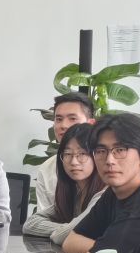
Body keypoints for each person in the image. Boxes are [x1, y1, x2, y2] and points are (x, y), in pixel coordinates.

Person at [58, 112, 140, 253]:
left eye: (120, 150)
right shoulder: (113, 193)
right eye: (101, 151)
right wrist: (105, 250)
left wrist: (99, 252)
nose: (109, 160)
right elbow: (69, 243)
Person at [21, 121, 103, 243]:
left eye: (82, 154)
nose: (74, 161)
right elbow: (30, 225)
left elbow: (61, 236)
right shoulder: (75, 193)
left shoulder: (103, 195)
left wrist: (67, 231)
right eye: (67, 154)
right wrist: (68, 229)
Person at [26, 91, 95, 232]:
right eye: (58, 119)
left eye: (72, 118)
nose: (63, 125)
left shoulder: (106, 167)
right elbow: (36, 223)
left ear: (91, 124)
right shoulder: (47, 168)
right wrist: (69, 231)